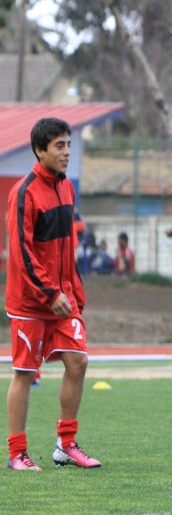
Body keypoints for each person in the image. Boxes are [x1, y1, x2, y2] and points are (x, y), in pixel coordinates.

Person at [5, 117, 101, 471]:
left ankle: (66, 445)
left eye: (68, 145)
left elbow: (68, 247)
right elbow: (21, 252)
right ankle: (17, 453)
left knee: (78, 361)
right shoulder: (24, 192)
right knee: (25, 374)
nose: (66, 153)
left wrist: (74, 292)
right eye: (59, 146)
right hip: (32, 302)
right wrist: (48, 293)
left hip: (63, 300)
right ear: (39, 150)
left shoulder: (66, 188)